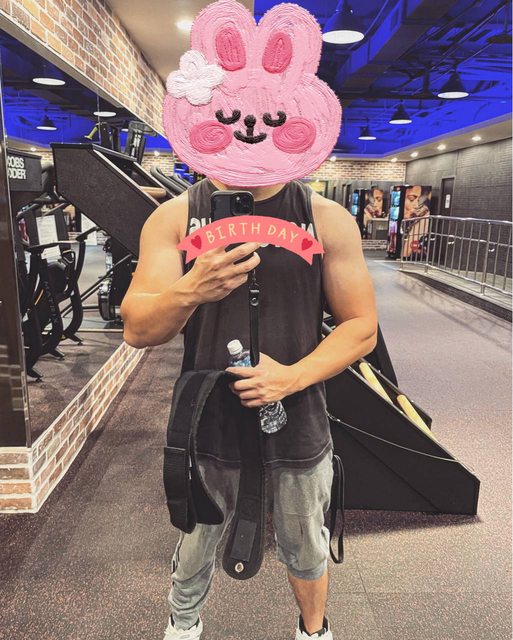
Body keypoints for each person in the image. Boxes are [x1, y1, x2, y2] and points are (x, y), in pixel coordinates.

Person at [121, 176, 378, 640]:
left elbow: (361, 326)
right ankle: (182, 625)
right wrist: (190, 290)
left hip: (297, 418)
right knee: (196, 540)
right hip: (208, 420)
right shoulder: (175, 216)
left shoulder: (326, 218)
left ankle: (314, 631)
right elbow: (138, 329)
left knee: (306, 542)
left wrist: (291, 376)